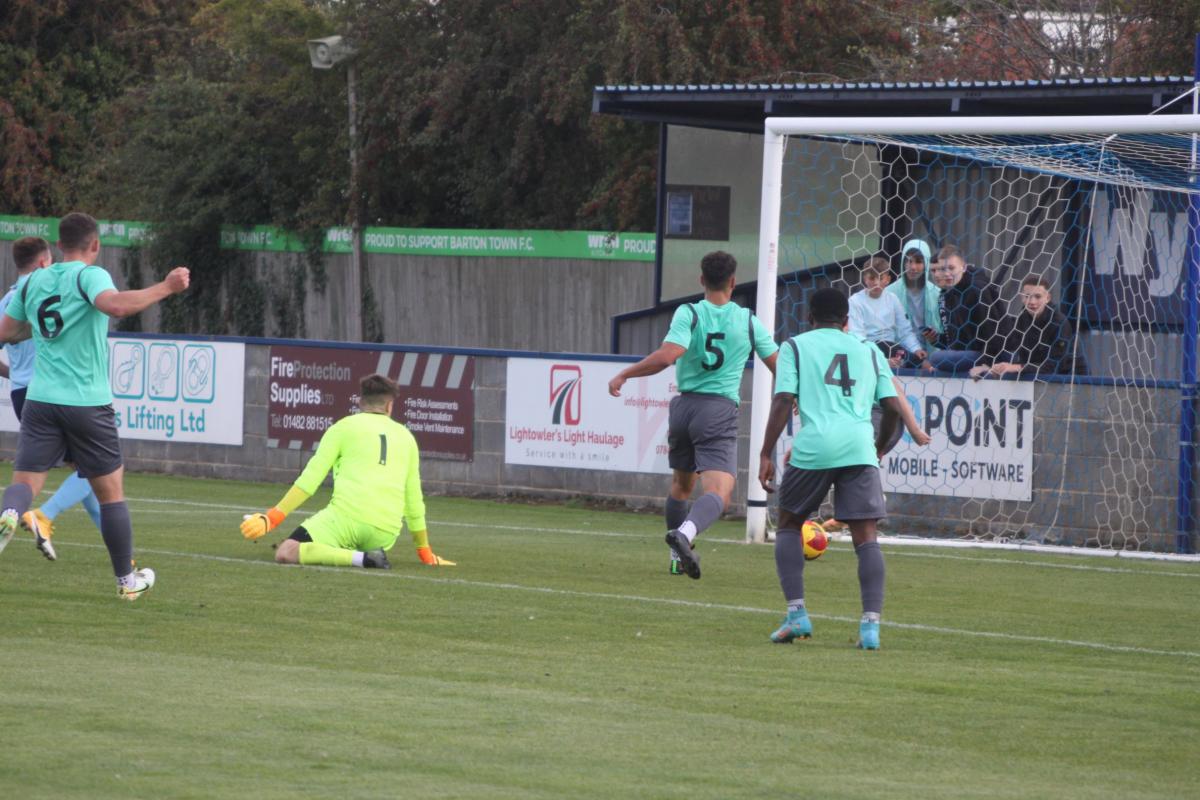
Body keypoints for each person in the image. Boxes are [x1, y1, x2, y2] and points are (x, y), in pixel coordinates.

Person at [0, 212, 190, 600]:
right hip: (86, 403)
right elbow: (115, 306)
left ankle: (9, 514)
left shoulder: (34, 280)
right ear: (96, 245)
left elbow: (6, 331)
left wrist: (36, 330)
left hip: (40, 400)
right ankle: (126, 582)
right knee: (110, 492)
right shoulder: (90, 276)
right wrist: (166, 287)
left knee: (25, 484)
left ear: (58, 245)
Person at [758, 287, 927, 650]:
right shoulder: (869, 350)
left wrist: (765, 453)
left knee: (788, 524)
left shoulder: (794, 347)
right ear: (847, 320)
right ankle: (870, 627)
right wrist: (878, 447)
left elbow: (784, 400)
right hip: (858, 449)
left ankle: (796, 614)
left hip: (814, 448)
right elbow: (892, 407)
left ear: (809, 317)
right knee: (866, 537)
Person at [608, 251, 778, 579]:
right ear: (733, 282)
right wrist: (793, 395)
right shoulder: (747, 321)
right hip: (717, 411)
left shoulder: (689, 313)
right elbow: (777, 364)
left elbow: (667, 356)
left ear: (701, 280)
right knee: (719, 493)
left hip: (683, 409)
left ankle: (676, 557)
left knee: (681, 485)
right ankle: (684, 535)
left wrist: (625, 374)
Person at [239, 373, 455, 570]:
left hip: (346, 521)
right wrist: (424, 552)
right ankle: (370, 554)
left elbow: (310, 480)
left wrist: (272, 518)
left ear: (360, 402)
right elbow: (413, 499)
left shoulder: (342, 428)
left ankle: (362, 559)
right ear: (390, 406)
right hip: (384, 533)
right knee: (354, 537)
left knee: (286, 551)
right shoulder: (407, 438)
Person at [1, 237, 106, 561]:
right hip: (56, 393)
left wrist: (12, 373)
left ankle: (123, 556)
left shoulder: (8, 299)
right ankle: (43, 515)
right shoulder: (47, 290)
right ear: (44, 263)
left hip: (22, 395)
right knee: (96, 468)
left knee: (87, 473)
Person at [969, 275, 1088, 379]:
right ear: (1022, 298)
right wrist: (987, 366)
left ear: (1047, 298)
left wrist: (1015, 367)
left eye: (1038, 296)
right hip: (1037, 376)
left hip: (1071, 379)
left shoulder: (1059, 323)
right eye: (1027, 296)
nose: (1032, 302)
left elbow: (1054, 366)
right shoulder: (1023, 317)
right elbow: (1005, 342)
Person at [927, 244, 1004, 375]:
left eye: (951, 268)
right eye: (942, 269)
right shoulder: (950, 293)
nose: (946, 273)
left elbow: (994, 332)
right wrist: (936, 340)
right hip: (971, 351)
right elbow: (956, 338)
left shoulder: (977, 289)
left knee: (937, 358)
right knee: (938, 359)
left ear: (963, 267)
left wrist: (987, 365)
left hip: (994, 354)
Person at [848, 255, 930, 370]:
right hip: (869, 350)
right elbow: (858, 336)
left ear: (888, 279)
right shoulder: (855, 301)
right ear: (865, 279)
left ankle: (919, 364)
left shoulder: (893, 299)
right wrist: (882, 361)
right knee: (885, 347)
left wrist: (916, 348)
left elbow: (904, 330)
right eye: (872, 278)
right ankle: (923, 365)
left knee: (901, 352)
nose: (876, 283)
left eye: (881, 278)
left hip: (892, 348)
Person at [885, 238, 941, 368]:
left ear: (926, 263)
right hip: (898, 358)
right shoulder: (889, 293)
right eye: (908, 261)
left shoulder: (937, 294)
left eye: (918, 262)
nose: (913, 267)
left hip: (931, 358)